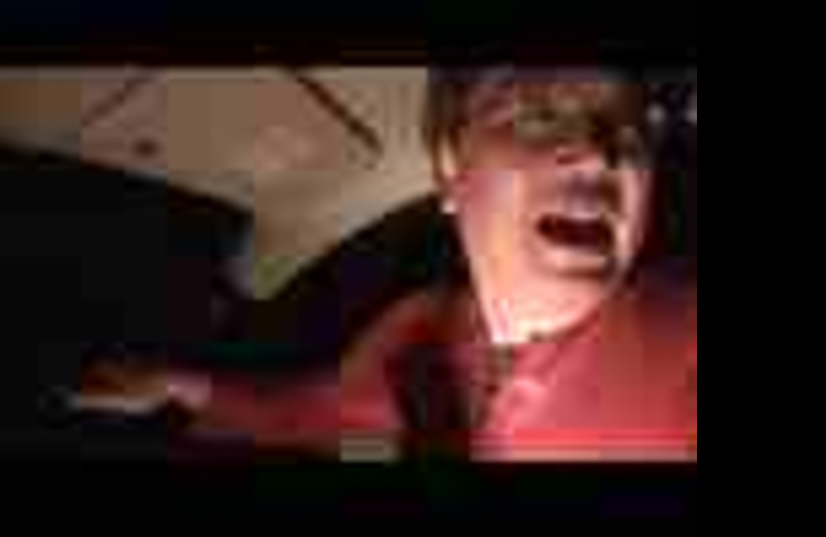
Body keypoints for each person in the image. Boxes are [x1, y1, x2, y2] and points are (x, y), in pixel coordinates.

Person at [74, 67, 697, 461]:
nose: (600, 154)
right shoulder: (414, 332)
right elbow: (332, 424)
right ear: (450, 167)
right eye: (538, 115)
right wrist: (180, 388)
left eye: (629, 128)